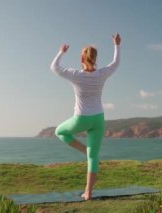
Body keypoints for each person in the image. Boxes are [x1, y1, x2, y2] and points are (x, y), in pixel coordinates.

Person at [50, 33, 121, 200]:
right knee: (93, 157)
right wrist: (117, 45)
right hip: (98, 119)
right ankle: (88, 193)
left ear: (82, 57)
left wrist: (61, 52)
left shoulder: (76, 75)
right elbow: (116, 63)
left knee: (60, 132)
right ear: (95, 58)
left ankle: (83, 149)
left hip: (81, 119)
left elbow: (54, 67)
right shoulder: (101, 74)